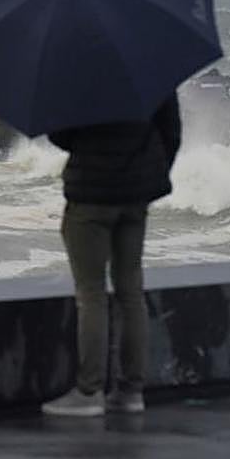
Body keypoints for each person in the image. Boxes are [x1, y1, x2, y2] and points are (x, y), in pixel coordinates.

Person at [40, 92, 182, 417]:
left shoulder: (81, 74)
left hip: (90, 195)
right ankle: (131, 391)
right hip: (135, 197)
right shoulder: (152, 69)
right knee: (130, 292)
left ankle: (89, 391)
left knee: (91, 295)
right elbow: (171, 131)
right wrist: (151, 173)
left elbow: (60, 134)